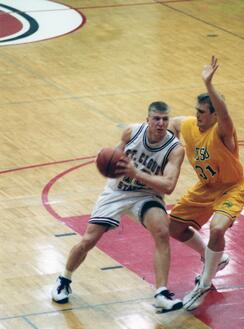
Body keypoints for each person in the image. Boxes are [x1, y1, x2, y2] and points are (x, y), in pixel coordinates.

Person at [52, 101, 185, 312]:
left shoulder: (174, 149)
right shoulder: (131, 133)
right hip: (117, 191)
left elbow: (168, 186)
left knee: (162, 231)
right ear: (147, 120)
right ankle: (64, 279)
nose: (161, 123)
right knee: (89, 240)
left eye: (165, 119)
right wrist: (109, 161)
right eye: (156, 119)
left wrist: (137, 174)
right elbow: (115, 156)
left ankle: (161, 292)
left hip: (145, 194)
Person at [169, 56, 244, 311]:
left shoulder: (223, 131)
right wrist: (169, 146)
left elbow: (224, 111)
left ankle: (204, 282)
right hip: (206, 188)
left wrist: (209, 84)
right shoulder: (191, 125)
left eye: (203, 113)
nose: (198, 116)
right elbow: (173, 123)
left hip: (232, 187)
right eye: (197, 111)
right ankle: (213, 257)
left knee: (217, 229)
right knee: (174, 228)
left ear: (215, 116)